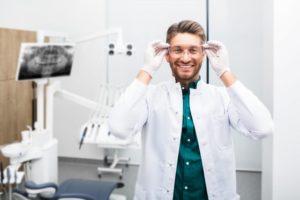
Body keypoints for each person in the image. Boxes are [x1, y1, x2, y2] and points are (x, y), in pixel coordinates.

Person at [108, 20, 273, 200]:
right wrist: (146, 69)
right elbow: (119, 129)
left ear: (204, 54)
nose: (185, 58)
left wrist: (224, 71)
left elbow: (263, 128)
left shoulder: (222, 97)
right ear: (167, 55)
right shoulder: (151, 96)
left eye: (193, 50)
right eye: (177, 50)